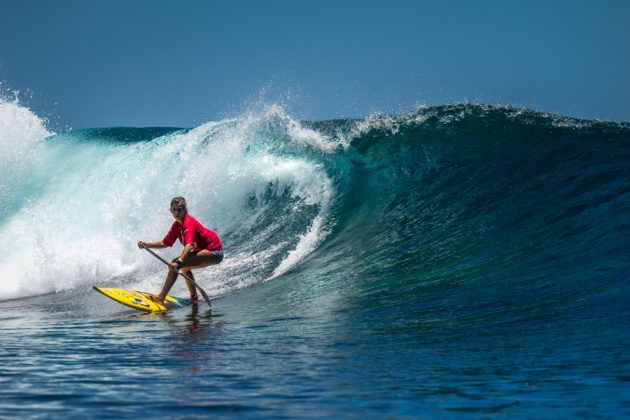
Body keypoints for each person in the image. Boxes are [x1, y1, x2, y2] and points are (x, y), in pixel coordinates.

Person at [137, 196, 223, 304]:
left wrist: (179, 261)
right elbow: (165, 243)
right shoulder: (176, 225)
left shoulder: (188, 222)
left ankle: (160, 297)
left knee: (176, 264)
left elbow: (189, 246)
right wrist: (146, 245)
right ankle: (194, 297)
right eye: (174, 210)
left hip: (215, 252)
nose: (177, 212)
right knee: (185, 268)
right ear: (170, 211)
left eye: (179, 209)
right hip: (205, 250)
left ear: (184, 210)